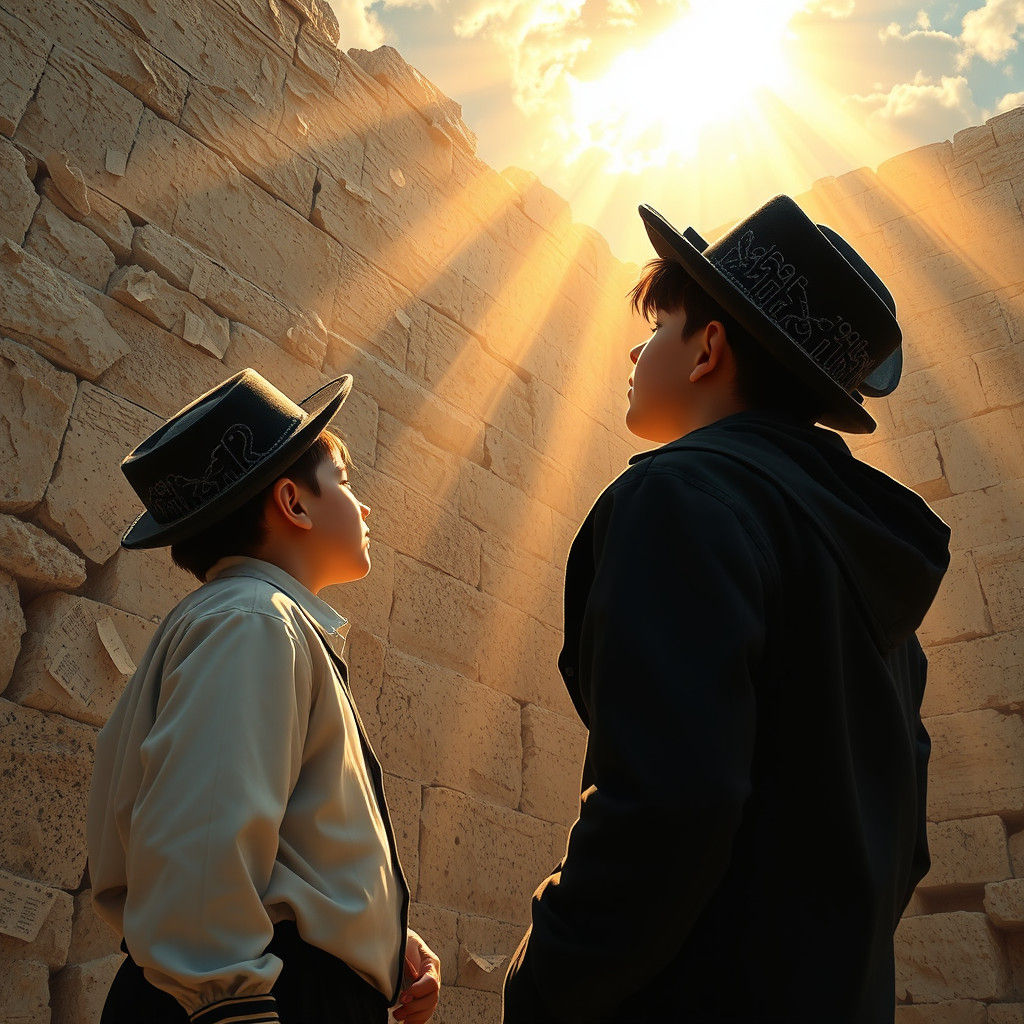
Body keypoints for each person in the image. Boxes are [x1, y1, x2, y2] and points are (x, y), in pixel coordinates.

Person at [501, 195, 952, 1023]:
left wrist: (544, 985)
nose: (634, 350)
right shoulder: (864, 564)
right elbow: (901, 845)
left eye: (656, 327)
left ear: (709, 347)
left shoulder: (676, 496)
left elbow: (667, 803)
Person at [87, 368, 441, 1024]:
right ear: (293, 503)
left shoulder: (249, 619)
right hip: (252, 1001)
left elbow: (270, 847)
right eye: (344, 481)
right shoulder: (253, 620)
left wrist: (378, 940)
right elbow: (199, 847)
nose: (363, 506)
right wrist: (229, 1002)